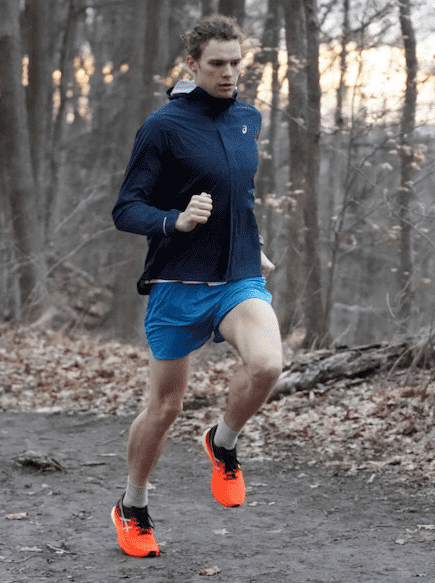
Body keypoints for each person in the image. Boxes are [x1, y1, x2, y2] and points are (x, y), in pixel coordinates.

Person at [109, 14, 283, 558]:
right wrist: (175, 220)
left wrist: (251, 242)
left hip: (236, 275)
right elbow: (126, 208)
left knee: (267, 365)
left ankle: (222, 442)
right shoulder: (163, 126)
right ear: (192, 64)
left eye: (236, 63)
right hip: (178, 280)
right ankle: (133, 505)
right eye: (217, 64)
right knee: (166, 407)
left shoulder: (248, 119)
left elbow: (238, 194)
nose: (229, 73)